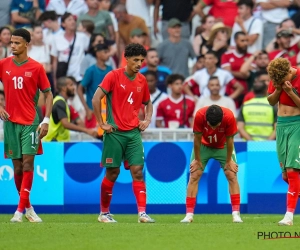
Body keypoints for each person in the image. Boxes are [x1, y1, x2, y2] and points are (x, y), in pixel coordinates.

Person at [92, 43, 155, 223]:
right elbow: (96, 98)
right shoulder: (113, 76)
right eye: (136, 60)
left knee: (137, 171)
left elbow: (148, 103)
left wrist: (147, 119)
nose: (139, 64)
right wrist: (101, 123)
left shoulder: (142, 80)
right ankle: (104, 213)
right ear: (126, 59)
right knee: (112, 173)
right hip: (115, 133)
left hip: (134, 133)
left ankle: (142, 213)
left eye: (142, 61)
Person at [0, 28, 53, 222]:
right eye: (11, 42)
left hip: (31, 122)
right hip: (11, 123)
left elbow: (48, 94)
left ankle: (19, 211)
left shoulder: (36, 68)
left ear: (26, 45)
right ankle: (28, 207)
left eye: (16, 43)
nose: (12, 45)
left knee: (28, 163)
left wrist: (46, 120)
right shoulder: (3, 64)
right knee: (18, 168)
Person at [180, 105, 243, 223]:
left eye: (216, 125)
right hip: (203, 145)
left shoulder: (229, 116)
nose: (213, 128)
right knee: (194, 175)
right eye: (210, 125)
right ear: (206, 119)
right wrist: (197, 160)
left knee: (232, 175)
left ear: (222, 119)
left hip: (223, 145)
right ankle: (189, 215)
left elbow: (230, 141)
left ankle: (236, 214)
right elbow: (197, 139)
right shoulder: (199, 115)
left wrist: (229, 160)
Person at [267, 57, 300, 225]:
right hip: (281, 125)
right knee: (286, 175)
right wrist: (279, 90)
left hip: (297, 124)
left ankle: (289, 216)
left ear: (290, 72)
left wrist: (290, 92)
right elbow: (271, 101)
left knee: (292, 169)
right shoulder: (277, 77)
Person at [43, 77, 98, 141]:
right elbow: (65, 124)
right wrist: (86, 130)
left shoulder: (63, 102)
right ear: (63, 88)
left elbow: (77, 121)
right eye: (71, 85)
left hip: (59, 143)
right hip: (54, 143)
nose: (74, 88)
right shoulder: (59, 103)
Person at [78, 43, 112, 129]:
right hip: (93, 111)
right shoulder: (91, 71)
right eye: (105, 52)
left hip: (107, 112)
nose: (108, 55)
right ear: (98, 54)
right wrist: (87, 108)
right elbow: (80, 88)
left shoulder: (110, 70)